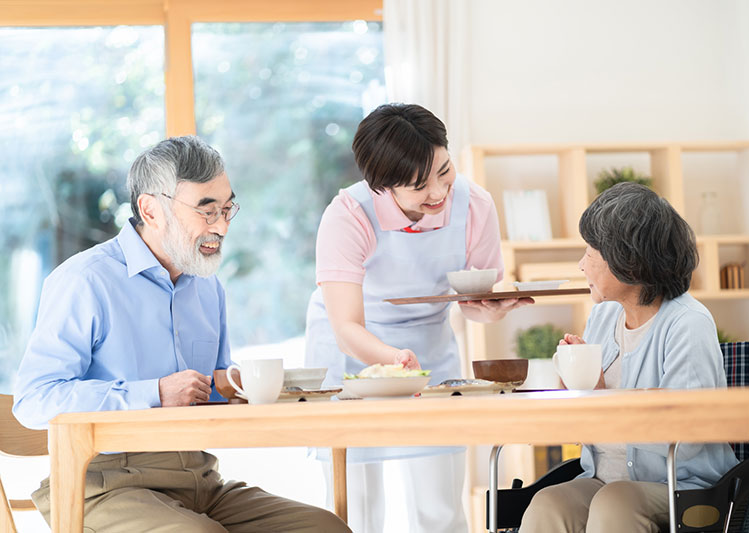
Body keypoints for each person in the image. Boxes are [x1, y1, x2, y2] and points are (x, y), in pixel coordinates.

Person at [13, 136, 350, 533]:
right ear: (150, 210)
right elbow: (34, 400)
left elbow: (209, 388)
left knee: (322, 527)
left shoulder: (208, 287)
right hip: (102, 486)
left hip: (199, 481)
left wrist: (231, 385)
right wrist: (153, 392)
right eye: (206, 212)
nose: (221, 226)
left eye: (227, 210)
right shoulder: (85, 281)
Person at [305, 103, 531, 533]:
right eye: (417, 185)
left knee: (440, 504)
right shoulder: (348, 216)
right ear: (381, 186)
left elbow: (470, 303)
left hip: (428, 343)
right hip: (355, 351)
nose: (439, 192)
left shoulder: (475, 205)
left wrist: (491, 309)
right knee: (356, 506)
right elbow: (346, 325)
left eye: (444, 170)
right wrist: (393, 360)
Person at [519, 182, 739, 533]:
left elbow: (690, 436)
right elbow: (590, 420)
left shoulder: (688, 323)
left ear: (629, 260)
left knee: (616, 502)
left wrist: (607, 400)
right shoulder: (604, 317)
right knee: (547, 504)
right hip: (603, 480)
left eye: (591, 251)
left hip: (685, 487)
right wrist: (577, 392)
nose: (581, 264)